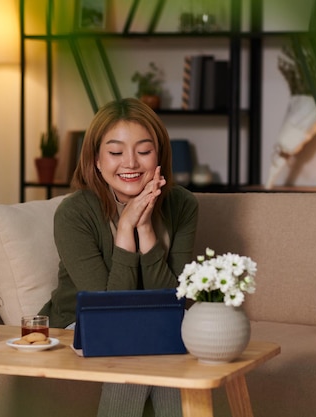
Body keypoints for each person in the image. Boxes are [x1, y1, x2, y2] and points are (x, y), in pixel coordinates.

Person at [39, 97, 198, 417]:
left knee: (158, 344)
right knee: (139, 350)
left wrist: (147, 231)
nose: (131, 163)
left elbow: (176, 303)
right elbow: (107, 313)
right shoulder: (74, 213)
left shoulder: (182, 205)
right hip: (77, 325)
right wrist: (125, 229)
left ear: (159, 156)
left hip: (155, 323)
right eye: (115, 152)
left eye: (143, 151)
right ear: (96, 160)